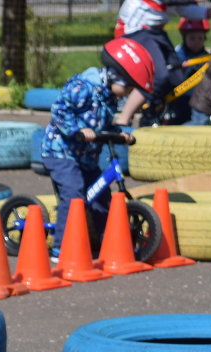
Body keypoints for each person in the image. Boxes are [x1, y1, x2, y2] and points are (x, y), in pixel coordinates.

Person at [41, 38, 150, 258]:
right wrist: (76, 132)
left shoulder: (110, 98)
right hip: (61, 151)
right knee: (73, 194)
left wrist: (120, 133)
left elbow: (104, 123)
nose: (128, 93)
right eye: (127, 87)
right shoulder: (83, 87)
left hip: (87, 157)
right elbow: (59, 110)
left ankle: (107, 243)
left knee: (102, 199)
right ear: (114, 75)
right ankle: (60, 247)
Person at [112, 0, 211, 126]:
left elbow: (185, 10)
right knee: (160, 76)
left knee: (176, 77)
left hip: (155, 33)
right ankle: (125, 118)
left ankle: (159, 111)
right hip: (135, 30)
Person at [167, 17, 210, 124]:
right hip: (181, 96)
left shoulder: (206, 57)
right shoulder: (178, 55)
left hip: (200, 96)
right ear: (184, 38)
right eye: (192, 38)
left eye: (200, 38)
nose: (196, 42)